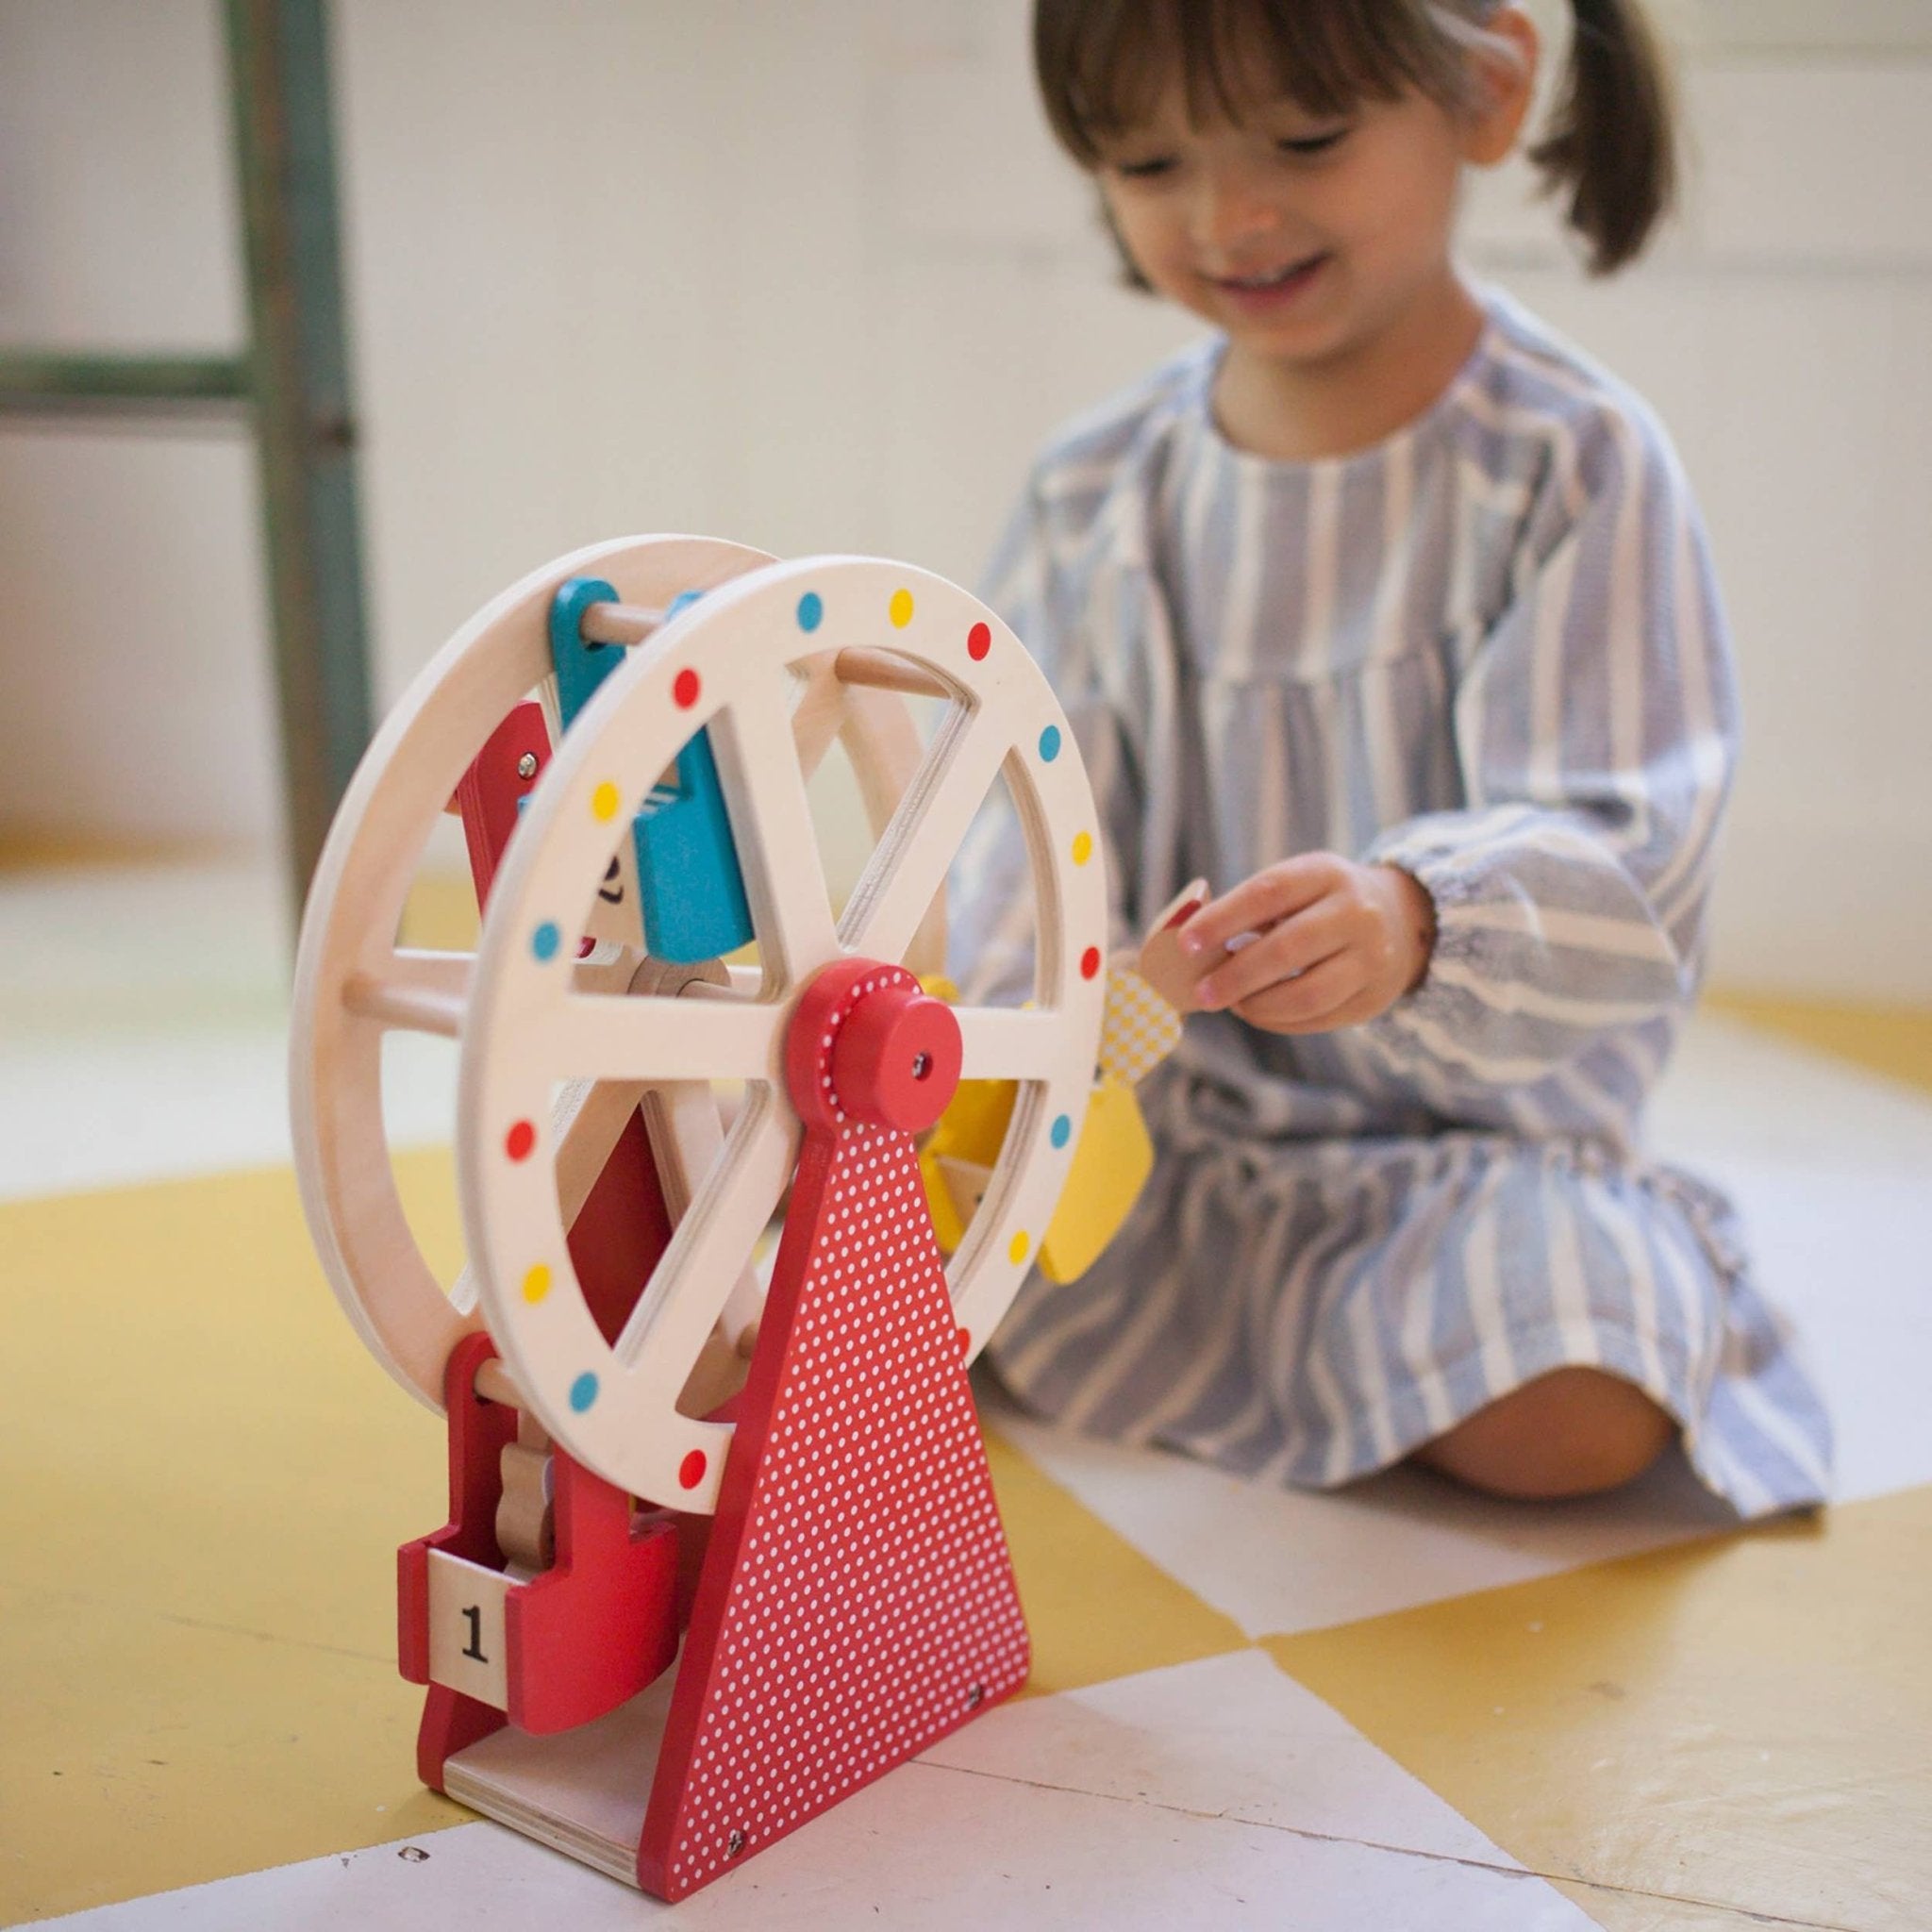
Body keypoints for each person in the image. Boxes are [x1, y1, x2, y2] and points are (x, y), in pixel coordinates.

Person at [949, 0, 1831, 1513]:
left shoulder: (1571, 463)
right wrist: (1019, 1048)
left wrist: (1419, 923)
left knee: (1577, 1401)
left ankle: (1352, 1346)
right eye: (1153, 161)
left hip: (1461, 1177)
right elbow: (1025, 826)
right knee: (890, 1263)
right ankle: (1277, 1344)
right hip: (1172, 1152)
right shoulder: (1097, 490)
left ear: (1485, 89)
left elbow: (1629, 840)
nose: (1232, 216)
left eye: (1307, 139)